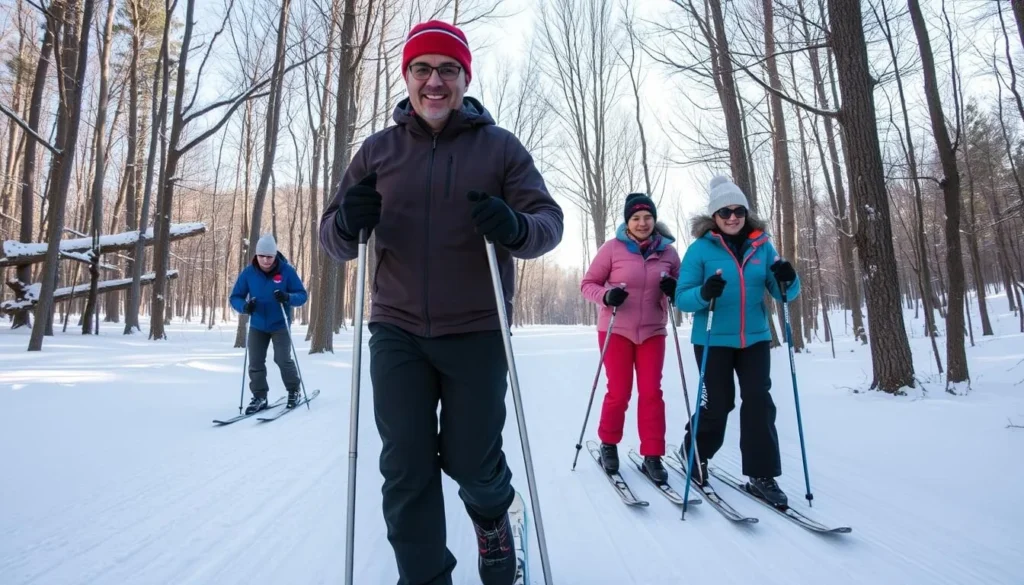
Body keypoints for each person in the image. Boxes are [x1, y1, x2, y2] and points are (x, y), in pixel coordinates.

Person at [318, 20, 563, 585]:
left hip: (478, 328)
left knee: (473, 460)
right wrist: (347, 223)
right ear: (406, 78)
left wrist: (514, 225)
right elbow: (331, 233)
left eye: (447, 70)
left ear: (464, 78)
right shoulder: (378, 151)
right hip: (396, 328)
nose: (434, 81)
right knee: (405, 466)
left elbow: (549, 223)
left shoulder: (499, 147)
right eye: (422, 69)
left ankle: (496, 519)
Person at [671, 176, 800, 507]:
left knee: (759, 401)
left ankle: (762, 475)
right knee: (718, 404)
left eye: (738, 211)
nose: (732, 217)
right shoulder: (700, 250)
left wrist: (789, 278)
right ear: (714, 216)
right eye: (725, 212)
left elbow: (783, 293)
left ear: (746, 213)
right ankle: (694, 453)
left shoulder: (762, 246)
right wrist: (704, 293)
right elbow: (682, 298)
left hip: (755, 338)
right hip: (713, 338)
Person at [580, 193, 680, 485]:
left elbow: (683, 289)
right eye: (635, 218)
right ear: (627, 221)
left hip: (652, 331)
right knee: (619, 391)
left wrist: (674, 288)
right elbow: (588, 284)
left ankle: (653, 455)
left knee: (651, 392)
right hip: (616, 330)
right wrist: (607, 296)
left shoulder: (669, 253)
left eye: (647, 217)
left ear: (654, 219)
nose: (642, 223)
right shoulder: (612, 249)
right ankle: (608, 445)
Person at [229, 234, 309, 414]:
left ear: (275, 256)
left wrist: (288, 297)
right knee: (255, 362)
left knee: (282, 359)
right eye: (262, 256)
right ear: (256, 255)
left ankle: (294, 390)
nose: (265, 260)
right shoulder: (249, 273)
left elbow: (302, 295)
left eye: (269, 256)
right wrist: (245, 306)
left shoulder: (286, 271)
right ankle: (260, 396)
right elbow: (235, 297)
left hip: (280, 324)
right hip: (257, 324)